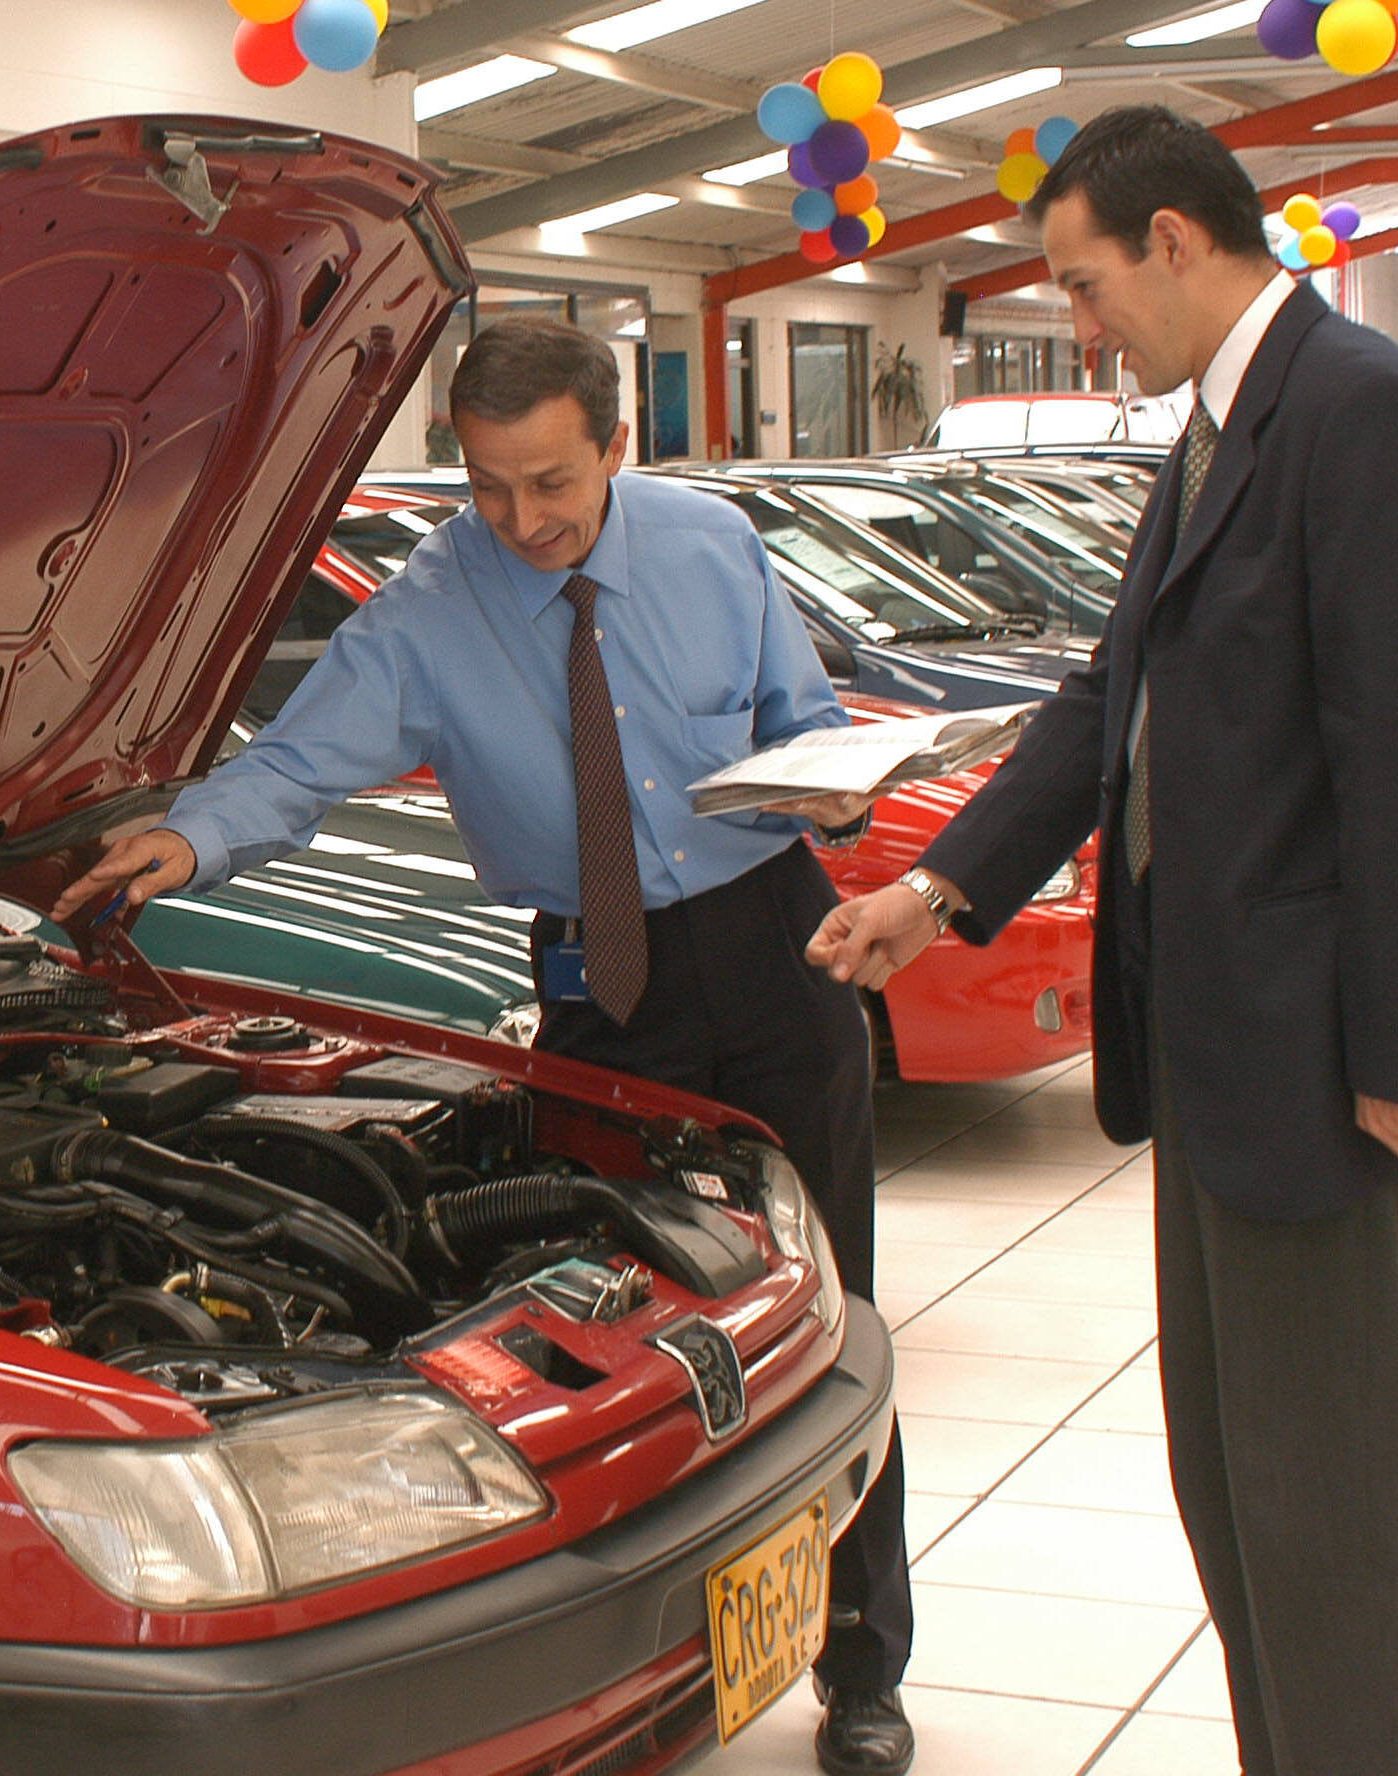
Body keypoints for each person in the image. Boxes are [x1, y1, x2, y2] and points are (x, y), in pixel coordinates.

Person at [51, 316, 918, 1776]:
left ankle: (864, 1660)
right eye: (489, 486)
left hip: (771, 950)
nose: (521, 521)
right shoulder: (429, 610)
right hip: (601, 988)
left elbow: (808, 724)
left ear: (615, 445)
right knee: (622, 1333)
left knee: (831, 1315)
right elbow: (296, 769)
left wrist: (838, 796)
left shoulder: (711, 548)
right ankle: (644, 1661)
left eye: (552, 486)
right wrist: (184, 844)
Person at [807, 107, 1398, 1776]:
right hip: (1214, 1058)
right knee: (1235, 1486)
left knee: (1330, 1508)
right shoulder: (1217, 432)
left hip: (1331, 1072)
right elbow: (1108, 702)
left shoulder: (1362, 415)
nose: (1083, 322)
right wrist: (941, 889)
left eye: (1087, 284)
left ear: (1177, 239)